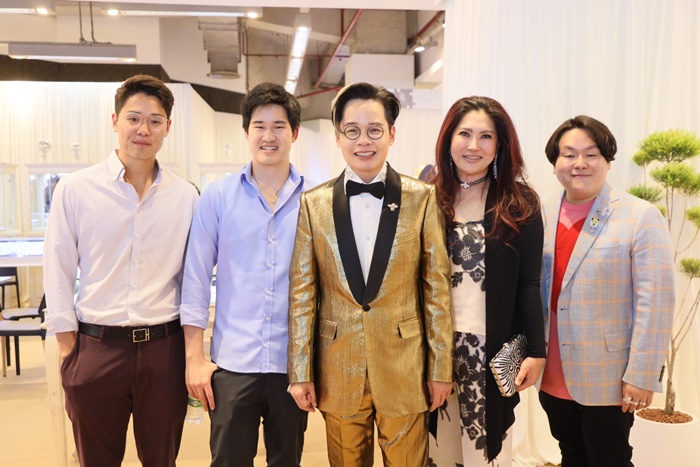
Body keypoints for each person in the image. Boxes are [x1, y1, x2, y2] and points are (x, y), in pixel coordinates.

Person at [287, 82, 454, 466]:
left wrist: (440, 368)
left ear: (391, 134)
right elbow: (302, 294)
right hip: (337, 368)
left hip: (406, 366)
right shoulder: (313, 204)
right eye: (353, 130)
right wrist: (300, 370)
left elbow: (436, 288)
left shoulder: (421, 197)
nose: (364, 140)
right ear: (338, 137)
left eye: (374, 130)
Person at [43, 74, 199, 467]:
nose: (144, 130)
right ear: (115, 121)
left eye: (155, 121)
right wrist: (69, 351)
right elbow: (58, 269)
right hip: (96, 348)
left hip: (164, 351)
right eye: (134, 118)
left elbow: (193, 278)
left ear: (167, 127)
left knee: (162, 460)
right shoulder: (76, 189)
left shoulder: (186, 196)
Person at [181, 82, 311, 466]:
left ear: (294, 133)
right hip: (232, 364)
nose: (269, 136)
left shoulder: (314, 201)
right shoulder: (218, 197)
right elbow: (195, 280)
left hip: (292, 367)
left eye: (279, 126)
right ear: (246, 133)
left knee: (287, 461)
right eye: (259, 126)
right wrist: (194, 359)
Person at [539, 116, 675, 466]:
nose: (580, 163)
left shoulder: (639, 215)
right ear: (555, 162)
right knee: (571, 455)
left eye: (591, 154)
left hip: (609, 376)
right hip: (552, 372)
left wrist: (642, 374)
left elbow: (655, 303)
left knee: (609, 459)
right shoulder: (541, 212)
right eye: (569, 154)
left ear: (608, 161)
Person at [428, 96, 547, 466]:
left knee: (484, 455)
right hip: (436, 350)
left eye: (486, 136)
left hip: (490, 349)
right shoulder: (429, 198)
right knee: (439, 449)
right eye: (464, 134)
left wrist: (537, 351)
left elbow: (530, 283)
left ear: (500, 145)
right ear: (449, 139)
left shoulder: (520, 203)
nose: (473, 146)